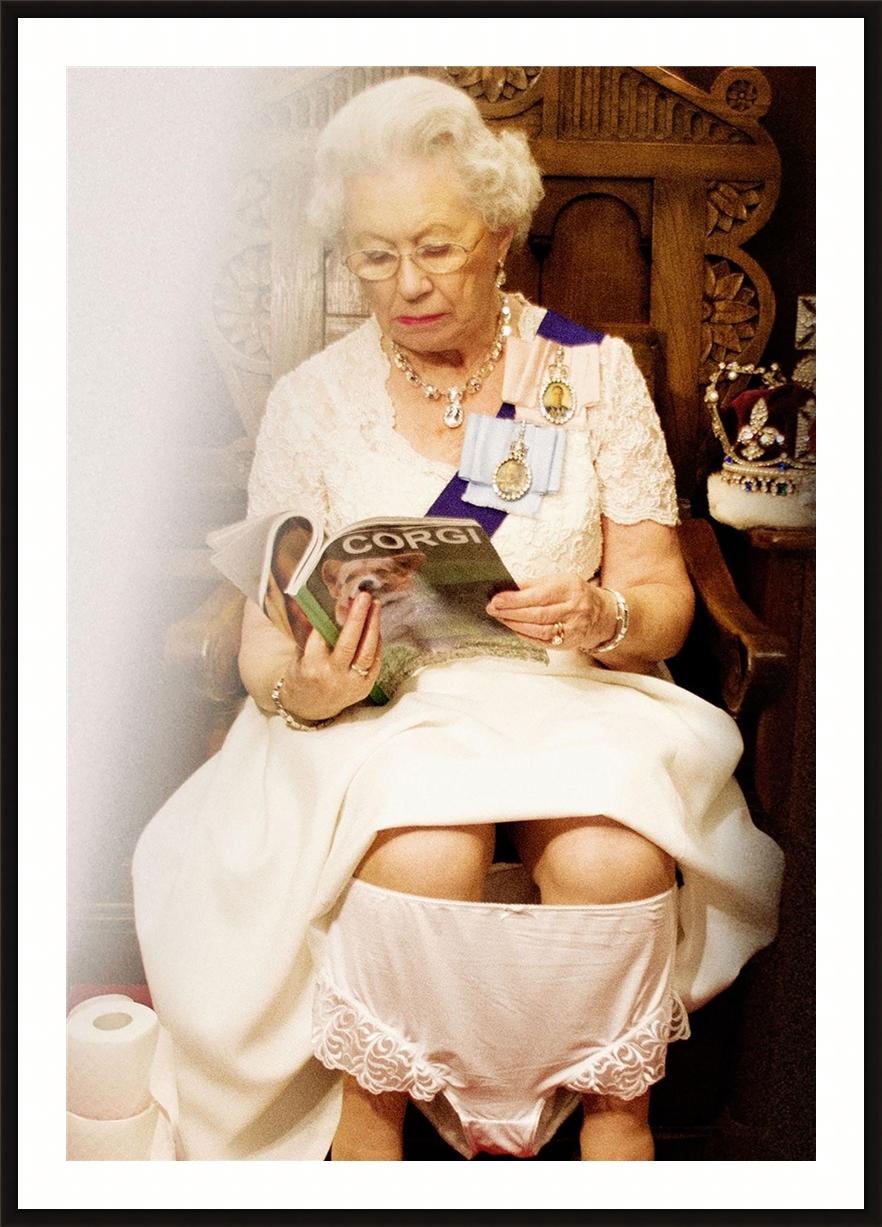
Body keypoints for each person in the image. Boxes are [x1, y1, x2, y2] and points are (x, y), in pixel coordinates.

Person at [132, 75, 784, 1163]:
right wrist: (309, 684)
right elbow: (262, 643)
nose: (406, 284)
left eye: (433, 247)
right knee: (425, 845)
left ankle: (614, 1132)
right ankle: (370, 1128)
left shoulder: (589, 370)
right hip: (386, 717)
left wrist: (605, 610)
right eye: (373, 256)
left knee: (612, 860)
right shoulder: (311, 399)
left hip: (575, 694)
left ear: (497, 234)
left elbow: (664, 604)